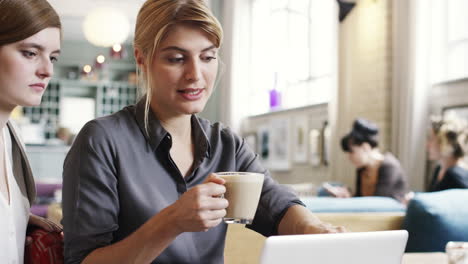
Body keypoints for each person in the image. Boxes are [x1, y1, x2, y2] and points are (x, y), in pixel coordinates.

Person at [61, 0, 344, 263]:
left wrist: (315, 229)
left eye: (207, 57)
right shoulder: (102, 140)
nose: (195, 74)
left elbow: (277, 205)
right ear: (142, 58)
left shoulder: (226, 145)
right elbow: (84, 260)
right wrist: (171, 222)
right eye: (176, 59)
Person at [0, 0, 63, 262]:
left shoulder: (12, 138)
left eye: (53, 57)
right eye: (30, 53)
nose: (47, 70)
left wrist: (18, 219)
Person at [324, 118, 408, 201]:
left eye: (351, 152)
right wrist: (347, 196)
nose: (349, 157)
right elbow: (361, 200)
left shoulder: (389, 166)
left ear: (365, 147)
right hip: (371, 213)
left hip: (391, 213)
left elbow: (379, 201)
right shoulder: (362, 169)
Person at [427, 115, 468, 192]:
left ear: (445, 143)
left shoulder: (456, 176)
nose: (428, 145)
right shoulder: (439, 169)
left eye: (431, 139)